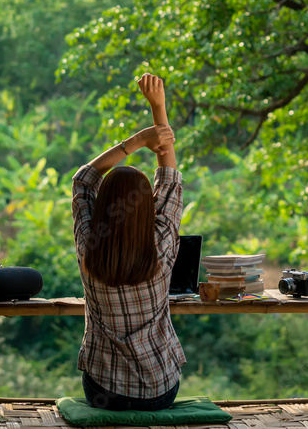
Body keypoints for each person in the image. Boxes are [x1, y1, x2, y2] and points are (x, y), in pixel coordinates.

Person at [71, 73, 185, 411]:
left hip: (104, 392)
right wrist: (158, 110)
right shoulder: (162, 244)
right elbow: (169, 181)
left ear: (103, 205)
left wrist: (135, 141)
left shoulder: (88, 247)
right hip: (159, 392)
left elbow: (83, 180)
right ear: (148, 208)